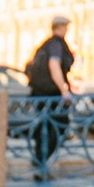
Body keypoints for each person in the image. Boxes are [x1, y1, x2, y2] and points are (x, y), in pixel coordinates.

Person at [24, 14, 75, 175]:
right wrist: (64, 91)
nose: (67, 29)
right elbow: (54, 67)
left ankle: (40, 161)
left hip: (38, 93)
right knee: (59, 125)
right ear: (60, 27)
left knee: (44, 126)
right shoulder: (56, 45)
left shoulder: (46, 44)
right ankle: (42, 162)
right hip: (51, 94)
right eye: (66, 27)